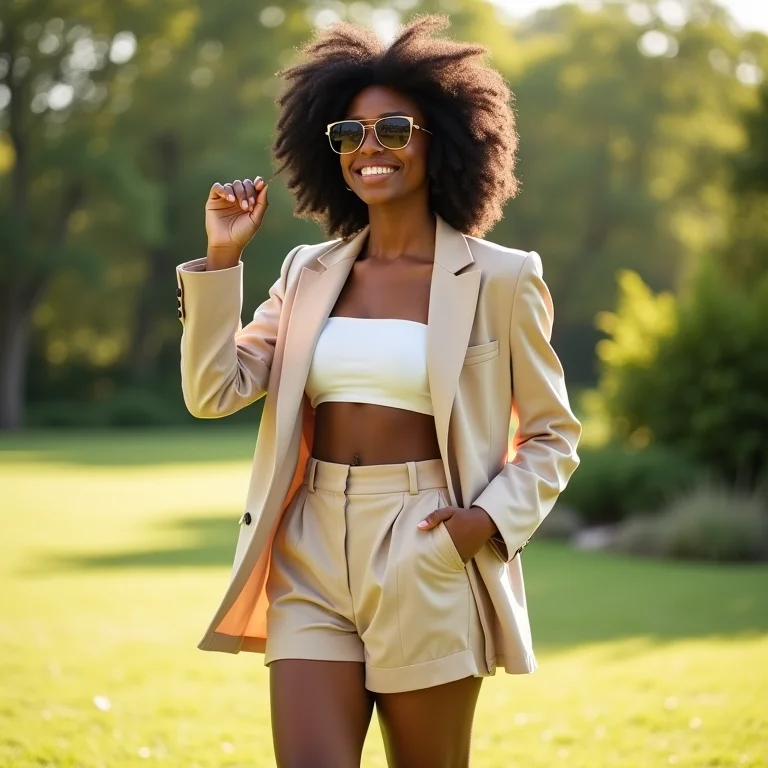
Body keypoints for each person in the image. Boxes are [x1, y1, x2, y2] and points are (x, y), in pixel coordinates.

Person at [175, 14, 581, 768]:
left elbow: (554, 436)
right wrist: (222, 261)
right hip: (309, 545)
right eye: (349, 134)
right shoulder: (307, 271)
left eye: (394, 130)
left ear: (443, 140)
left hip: (426, 540)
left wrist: (479, 526)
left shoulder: (502, 276)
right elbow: (214, 389)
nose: (370, 149)